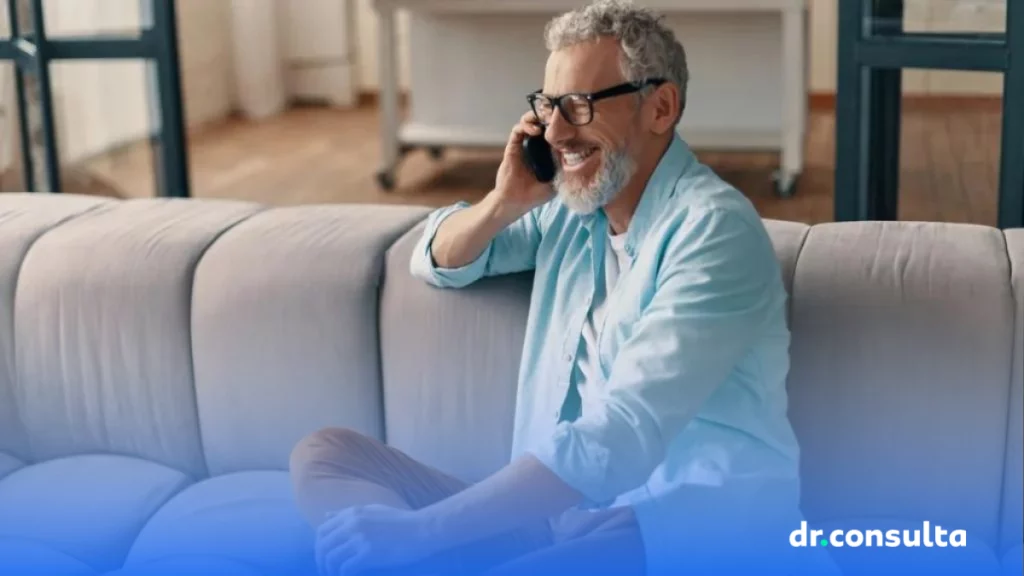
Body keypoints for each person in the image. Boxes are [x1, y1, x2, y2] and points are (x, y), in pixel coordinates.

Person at [291, 1, 822, 575]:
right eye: (548, 107)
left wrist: (420, 531)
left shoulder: (713, 230)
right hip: (555, 524)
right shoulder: (569, 210)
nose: (556, 131)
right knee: (326, 455)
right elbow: (439, 258)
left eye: (580, 106)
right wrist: (503, 203)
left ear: (660, 107)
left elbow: (623, 431)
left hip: (678, 529)